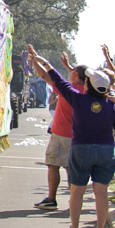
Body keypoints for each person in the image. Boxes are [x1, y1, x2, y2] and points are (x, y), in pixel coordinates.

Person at [28, 44, 115, 228]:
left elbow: (55, 77)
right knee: (101, 193)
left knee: (77, 191)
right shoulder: (111, 106)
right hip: (107, 150)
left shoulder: (78, 99)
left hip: (82, 149)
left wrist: (40, 59)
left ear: (88, 85)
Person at [31, 52, 82, 211]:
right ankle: (74, 200)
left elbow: (45, 75)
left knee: (53, 165)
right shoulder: (88, 92)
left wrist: (34, 60)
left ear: (75, 75)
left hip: (61, 134)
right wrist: (69, 66)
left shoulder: (68, 90)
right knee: (71, 169)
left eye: (72, 72)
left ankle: (51, 199)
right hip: (77, 135)